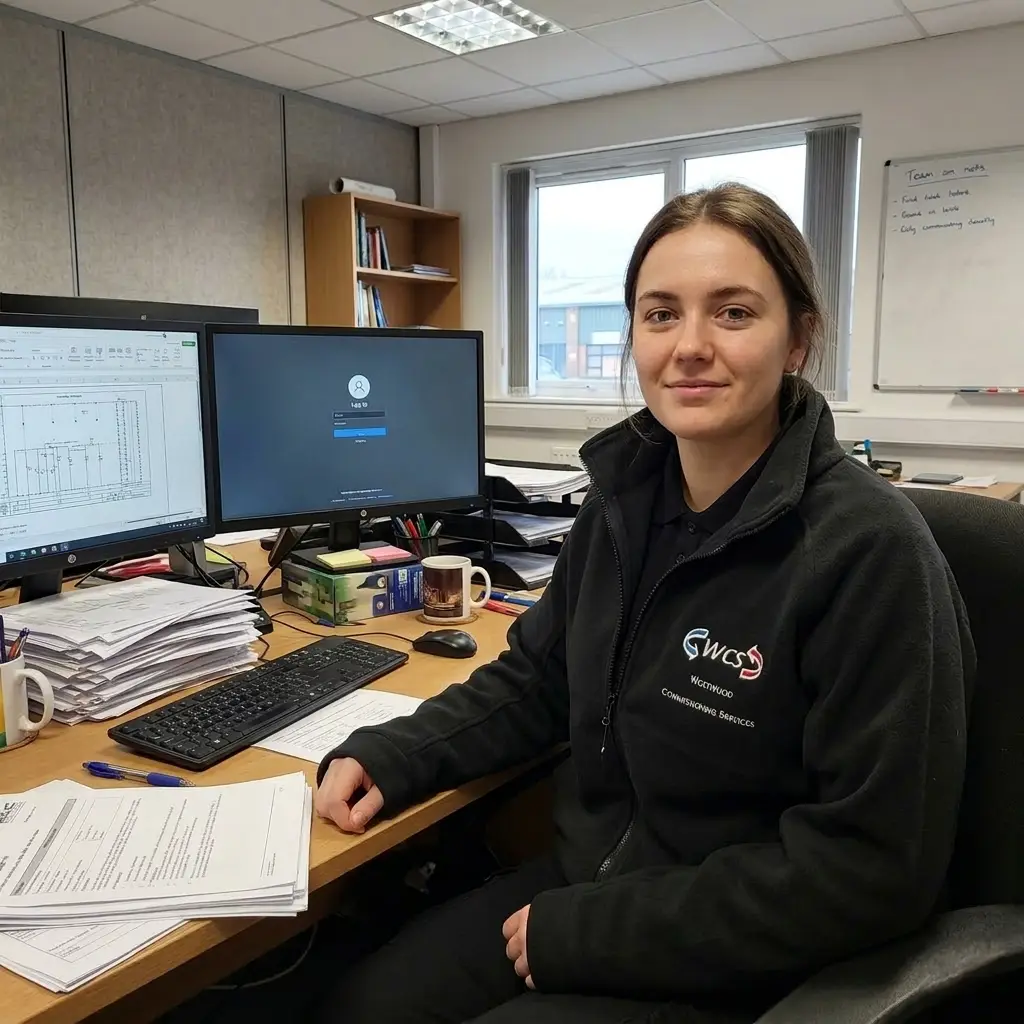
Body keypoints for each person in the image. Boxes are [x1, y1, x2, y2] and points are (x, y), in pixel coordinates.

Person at [310, 184, 974, 1024]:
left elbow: (871, 869)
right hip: (589, 879)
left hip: (752, 953)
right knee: (362, 1010)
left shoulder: (869, 554)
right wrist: (395, 753)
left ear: (798, 338)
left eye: (733, 313)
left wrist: (595, 933)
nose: (690, 346)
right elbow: (537, 681)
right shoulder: (622, 505)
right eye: (661, 314)